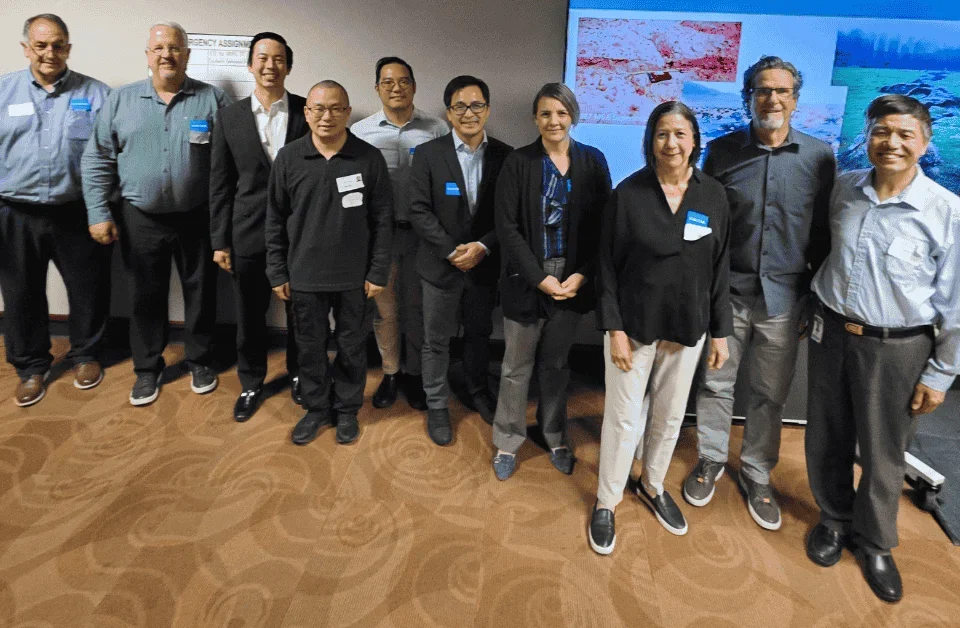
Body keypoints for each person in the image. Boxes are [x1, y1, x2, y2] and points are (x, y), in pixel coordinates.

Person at [804, 94, 959, 604]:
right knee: (826, 434)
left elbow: (956, 303)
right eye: (880, 132)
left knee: (883, 450)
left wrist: (940, 373)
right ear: (866, 136)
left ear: (924, 141)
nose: (890, 143)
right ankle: (833, 518)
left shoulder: (946, 212)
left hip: (896, 348)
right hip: (832, 332)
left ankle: (874, 542)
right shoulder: (844, 189)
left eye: (904, 134)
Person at [684, 56, 836, 530]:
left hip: (785, 299)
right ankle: (710, 457)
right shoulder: (722, 152)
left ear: (795, 99)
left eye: (782, 91)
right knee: (716, 383)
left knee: (770, 393)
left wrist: (813, 297)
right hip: (728, 293)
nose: (772, 99)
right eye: (762, 90)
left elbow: (823, 233)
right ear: (748, 97)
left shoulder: (819, 157)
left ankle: (755, 472)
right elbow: (704, 224)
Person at [589, 101, 732, 554]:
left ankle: (652, 484)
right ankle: (606, 502)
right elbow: (606, 267)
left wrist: (721, 331)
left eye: (680, 134)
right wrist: (612, 329)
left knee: (670, 417)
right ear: (650, 141)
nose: (671, 143)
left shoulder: (713, 196)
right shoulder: (628, 194)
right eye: (661, 134)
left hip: (687, 328)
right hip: (633, 327)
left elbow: (721, 266)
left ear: (694, 141)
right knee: (623, 418)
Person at [82, 22, 232, 406]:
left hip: (197, 216)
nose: (167, 54)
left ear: (187, 55)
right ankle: (147, 369)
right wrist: (99, 212)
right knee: (145, 297)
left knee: (202, 293)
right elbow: (97, 159)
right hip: (140, 217)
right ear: (148, 54)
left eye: (175, 48)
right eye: (159, 47)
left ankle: (199, 359)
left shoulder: (212, 100)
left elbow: (230, 163)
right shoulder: (120, 101)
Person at [491, 82, 611, 479]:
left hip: (573, 281)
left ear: (572, 115)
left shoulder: (593, 161)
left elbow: (602, 228)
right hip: (528, 279)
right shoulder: (519, 162)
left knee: (556, 366)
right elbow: (507, 227)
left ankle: (554, 432)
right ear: (535, 118)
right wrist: (538, 277)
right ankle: (507, 440)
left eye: (561, 113)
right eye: (546, 113)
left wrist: (582, 275)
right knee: (515, 367)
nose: (554, 121)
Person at [265, 80, 393, 446]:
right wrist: (277, 270)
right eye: (318, 108)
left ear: (348, 113)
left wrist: (378, 271)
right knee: (309, 347)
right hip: (303, 276)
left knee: (352, 346)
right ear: (306, 113)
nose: (326, 116)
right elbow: (274, 219)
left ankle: (348, 409)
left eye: (336, 108)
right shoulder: (289, 158)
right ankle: (317, 408)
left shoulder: (369, 158)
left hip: (356, 278)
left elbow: (383, 220)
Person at [0, 14, 111, 406]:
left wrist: (103, 210)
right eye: (41, 45)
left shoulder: (97, 94)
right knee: (21, 293)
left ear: (68, 47)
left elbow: (108, 156)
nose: (50, 53)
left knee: (87, 289)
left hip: (75, 210)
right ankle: (31, 366)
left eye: (58, 44)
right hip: (15, 211)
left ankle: (85, 354)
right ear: (26, 48)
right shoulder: (3, 91)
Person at [209, 32, 308, 421]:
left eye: (279, 58)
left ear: (288, 65)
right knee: (250, 315)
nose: (271, 66)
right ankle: (251, 382)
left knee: (302, 311)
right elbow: (219, 183)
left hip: (299, 233)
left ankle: (301, 375)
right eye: (263, 58)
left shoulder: (305, 111)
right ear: (250, 65)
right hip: (246, 232)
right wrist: (220, 240)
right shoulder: (229, 116)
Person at [408, 75, 512, 445]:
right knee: (435, 341)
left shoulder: (506, 156)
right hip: (440, 268)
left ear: (487, 109)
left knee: (479, 335)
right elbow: (418, 211)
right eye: (460, 106)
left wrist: (482, 247)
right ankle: (437, 404)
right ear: (449, 113)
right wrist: (452, 251)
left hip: (484, 267)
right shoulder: (428, 154)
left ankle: (477, 390)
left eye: (477, 105)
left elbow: (510, 216)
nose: (469, 113)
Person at [352, 57, 448, 411]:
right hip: (382, 237)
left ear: (414, 86)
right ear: (377, 88)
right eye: (388, 82)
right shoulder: (361, 132)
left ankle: (416, 374)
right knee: (386, 310)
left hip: (424, 236)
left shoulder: (436, 129)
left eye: (403, 81)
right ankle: (391, 372)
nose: (396, 88)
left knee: (419, 308)